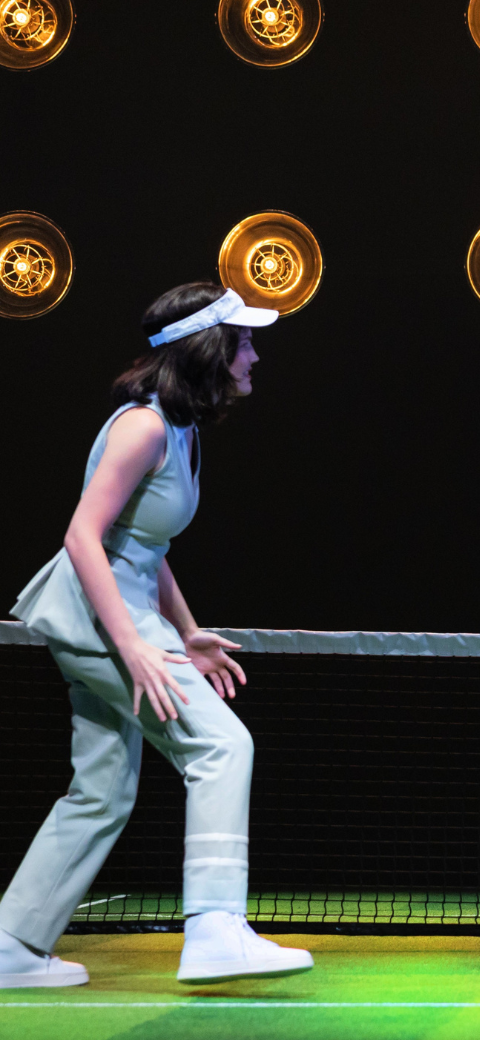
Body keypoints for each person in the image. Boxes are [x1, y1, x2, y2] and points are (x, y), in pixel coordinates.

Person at [1, 284, 314, 989]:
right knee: (222, 745)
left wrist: (188, 631)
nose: (255, 355)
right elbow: (83, 536)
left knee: (102, 790)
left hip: (122, 617)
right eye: (245, 341)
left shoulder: (180, 429)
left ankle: (11, 944)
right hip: (101, 620)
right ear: (210, 347)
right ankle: (213, 928)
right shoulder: (140, 427)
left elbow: (144, 543)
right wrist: (136, 646)